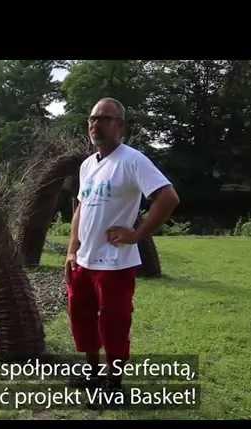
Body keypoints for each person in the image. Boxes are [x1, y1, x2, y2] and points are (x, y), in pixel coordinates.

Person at [65, 98, 180, 393]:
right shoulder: (88, 165)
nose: (96, 124)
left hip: (115, 263)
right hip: (84, 260)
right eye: (92, 118)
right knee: (83, 318)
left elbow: (168, 198)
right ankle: (92, 374)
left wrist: (136, 234)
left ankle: (113, 384)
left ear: (120, 126)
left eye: (104, 118)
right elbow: (80, 208)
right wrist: (71, 249)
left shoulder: (133, 160)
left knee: (114, 324)